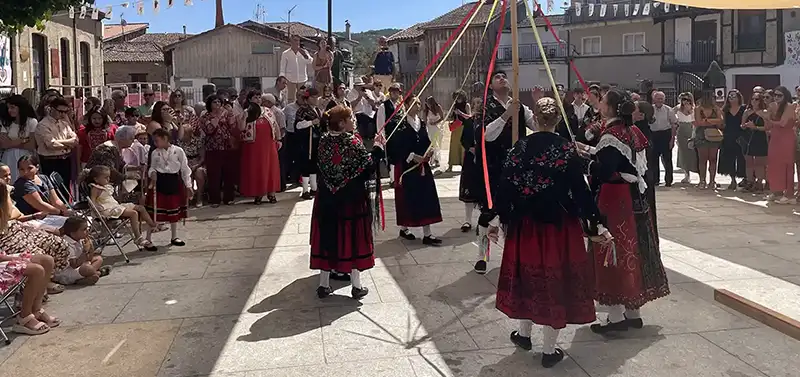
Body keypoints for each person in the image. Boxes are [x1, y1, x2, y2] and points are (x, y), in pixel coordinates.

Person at [487, 97, 611, 368]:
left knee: (528, 278)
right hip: (558, 227)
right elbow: (581, 191)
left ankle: (524, 334)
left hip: (525, 226)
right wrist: (596, 222)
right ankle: (548, 350)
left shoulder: (520, 147)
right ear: (556, 120)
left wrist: (494, 217)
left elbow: (505, 186)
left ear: (536, 120)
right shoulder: (566, 150)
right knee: (553, 282)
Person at [578, 89, 669, 334]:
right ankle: (633, 313)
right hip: (636, 200)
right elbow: (627, 165)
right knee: (633, 249)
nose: (600, 105)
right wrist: (588, 150)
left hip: (615, 201)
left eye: (603, 102)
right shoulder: (634, 132)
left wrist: (583, 160)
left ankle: (616, 318)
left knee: (612, 251)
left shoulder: (610, 135)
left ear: (610, 108)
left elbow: (605, 170)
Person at [472, 70, 536, 274]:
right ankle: (482, 255)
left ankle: (513, 256)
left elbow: (536, 125)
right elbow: (485, 136)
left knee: (516, 212)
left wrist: (538, 104)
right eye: (497, 77)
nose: (502, 78)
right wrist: (506, 114)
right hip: (493, 167)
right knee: (488, 212)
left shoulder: (519, 106)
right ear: (490, 86)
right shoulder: (485, 107)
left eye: (504, 76)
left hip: (518, 168)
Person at [311, 105, 377, 299]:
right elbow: (368, 167)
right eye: (351, 119)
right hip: (351, 200)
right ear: (341, 123)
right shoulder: (352, 142)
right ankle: (356, 286)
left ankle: (324, 285)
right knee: (353, 238)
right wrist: (377, 150)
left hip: (327, 199)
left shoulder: (323, 141)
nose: (354, 122)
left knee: (327, 236)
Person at [384, 97, 443, 245]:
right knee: (408, 198)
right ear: (407, 105)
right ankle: (404, 228)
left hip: (422, 167)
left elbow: (426, 141)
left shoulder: (421, 123)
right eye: (414, 103)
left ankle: (427, 233)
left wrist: (429, 152)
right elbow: (395, 146)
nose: (418, 105)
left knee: (426, 196)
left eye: (418, 102)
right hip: (407, 167)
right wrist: (411, 156)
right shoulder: (399, 124)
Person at [87, 165, 164, 248]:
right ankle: (138, 237)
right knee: (133, 213)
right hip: (108, 210)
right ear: (96, 179)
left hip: (115, 206)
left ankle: (153, 225)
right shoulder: (95, 189)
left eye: (108, 177)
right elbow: (92, 201)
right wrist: (96, 209)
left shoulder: (106, 186)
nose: (108, 179)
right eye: (105, 178)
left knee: (141, 208)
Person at [145, 129, 193, 249]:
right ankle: (148, 239)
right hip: (160, 182)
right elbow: (152, 168)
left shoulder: (178, 151)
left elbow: (184, 169)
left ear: (165, 138)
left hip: (173, 181)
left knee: (173, 210)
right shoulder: (155, 152)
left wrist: (188, 186)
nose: (155, 143)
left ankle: (174, 236)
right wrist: (152, 174)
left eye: (157, 140)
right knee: (154, 212)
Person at [196, 95, 239, 207]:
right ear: (210, 104)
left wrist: (230, 114)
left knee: (229, 174)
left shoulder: (226, 113)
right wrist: (217, 118)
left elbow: (233, 126)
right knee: (214, 175)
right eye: (214, 102)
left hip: (227, 148)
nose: (217, 104)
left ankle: (229, 198)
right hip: (213, 149)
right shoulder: (205, 117)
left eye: (219, 102)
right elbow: (209, 130)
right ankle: (214, 199)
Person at [240, 92, 282, 204]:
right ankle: (258, 194)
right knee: (257, 168)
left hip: (269, 144)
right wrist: (244, 118)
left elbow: (275, 125)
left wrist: (279, 139)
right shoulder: (246, 111)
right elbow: (241, 128)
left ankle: (271, 193)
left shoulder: (268, 111)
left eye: (259, 97)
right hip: (254, 145)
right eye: (255, 97)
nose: (258, 99)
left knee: (271, 167)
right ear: (250, 99)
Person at [33, 97, 78, 195]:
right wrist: (68, 143)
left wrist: (60, 142)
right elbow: (51, 144)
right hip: (50, 160)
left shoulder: (64, 124)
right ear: (51, 109)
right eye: (60, 111)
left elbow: (75, 140)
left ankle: (66, 209)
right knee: (53, 189)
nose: (63, 114)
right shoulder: (43, 125)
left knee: (65, 189)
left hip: (65, 159)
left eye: (65, 112)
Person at [761, 86, 797, 204]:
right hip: (775, 137)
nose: (776, 97)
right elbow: (768, 126)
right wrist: (767, 116)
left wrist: (768, 118)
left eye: (779, 95)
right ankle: (777, 191)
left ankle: (789, 194)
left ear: (785, 96)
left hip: (786, 138)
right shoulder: (773, 106)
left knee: (787, 165)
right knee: (774, 164)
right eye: (775, 95)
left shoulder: (790, 106)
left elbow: (783, 123)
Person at [55, 217, 112, 286]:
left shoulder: (80, 239)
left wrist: (90, 247)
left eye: (87, 228)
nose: (87, 231)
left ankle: (89, 275)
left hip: (80, 264)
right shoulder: (66, 244)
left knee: (98, 259)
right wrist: (85, 251)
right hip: (68, 271)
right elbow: (74, 265)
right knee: (87, 268)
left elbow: (89, 258)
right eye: (84, 229)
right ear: (73, 233)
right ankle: (97, 273)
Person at [0, 95, 38, 182]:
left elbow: (31, 145)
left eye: (12, 107)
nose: (10, 110)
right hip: (9, 157)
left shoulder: (32, 122)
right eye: (8, 108)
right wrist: (23, 140)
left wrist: (12, 143)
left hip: (26, 156)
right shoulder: (6, 123)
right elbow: (3, 144)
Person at [294, 88, 324, 200]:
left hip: (316, 141)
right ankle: (305, 190)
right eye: (313, 97)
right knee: (306, 165)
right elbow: (297, 125)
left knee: (314, 165)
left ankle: (314, 188)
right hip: (306, 142)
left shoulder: (318, 110)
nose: (316, 99)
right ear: (307, 98)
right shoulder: (302, 110)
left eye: (316, 97)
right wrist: (311, 122)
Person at [693, 90, 724, 189]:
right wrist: (712, 122)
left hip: (714, 135)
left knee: (713, 159)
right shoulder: (698, 109)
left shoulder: (716, 109)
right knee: (702, 159)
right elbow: (699, 122)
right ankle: (702, 180)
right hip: (701, 135)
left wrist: (707, 121)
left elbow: (720, 121)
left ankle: (712, 180)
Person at [375, 83, 404, 186]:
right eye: (393, 91)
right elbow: (380, 122)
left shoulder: (401, 105)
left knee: (399, 156)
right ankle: (392, 179)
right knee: (391, 157)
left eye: (397, 91)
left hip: (399, 136)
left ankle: (398, 176)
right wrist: (382, 135)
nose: (394, 93)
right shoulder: (384, 106)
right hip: (389, 135)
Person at [740, 92, 769, 193]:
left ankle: (759, 183)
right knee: (749, 162)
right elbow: (742, 125)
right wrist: (745, 126)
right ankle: (749, 181)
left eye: (757, 99)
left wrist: (755, 127)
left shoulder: (764, 112)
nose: (754, 101)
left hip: (759, 138)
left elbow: (767, 127)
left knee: (759, 163)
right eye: (752, 99)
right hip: (748, 138)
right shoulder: (747, 112)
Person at [647, 91, 677, 186]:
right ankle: (655, 180)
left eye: (661, 99)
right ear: (654, 99)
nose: (659, 100)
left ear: (664, 99)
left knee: (667, 159)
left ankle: (668, 181)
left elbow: (674, 124)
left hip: (665, 135)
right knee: (653, 159)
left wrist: (672, 139)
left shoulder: (669, 110)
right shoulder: (649, 109)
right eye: (658, 98)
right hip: (653, 135)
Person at [719, 90, 747, 190]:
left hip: (741, 136)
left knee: (742, 158)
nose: (731, 97)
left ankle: (745, 179)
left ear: (739, 97)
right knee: (729, 158)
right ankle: (732, 180)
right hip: (728, 135)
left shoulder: (744, 108)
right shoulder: (725, 109)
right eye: (730, 96)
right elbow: (722, 123)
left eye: (733, 96)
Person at [674, 93, 698, 184]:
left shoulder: (694, 109)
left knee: (693, 153)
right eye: (683, 99)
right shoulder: (677, 108)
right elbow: (671, 115)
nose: (685, 101)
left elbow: (695, 121)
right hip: (681, 130)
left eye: (687, 99)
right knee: (682, 152)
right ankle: (686, 174)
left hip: (691, 129)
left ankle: (698, 173)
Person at [280, 35, 313, 102]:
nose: (297, 42)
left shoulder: (304, 52)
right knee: (291, 98)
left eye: (298, 40)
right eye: (295, 40)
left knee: (303, 97)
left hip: (302, 79)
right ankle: (291, 111)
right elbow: (282, 67)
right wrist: (282, 78)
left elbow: (310, 61)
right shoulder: (285, 53)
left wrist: (304, 54)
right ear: (291, 42)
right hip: (290, 79)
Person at [423, 96, 445, 168]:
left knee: (439, 143)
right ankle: (435, 160)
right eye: (427, 103)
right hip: (430, 128)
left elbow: (442, 117)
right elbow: (425, 120)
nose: (428, 105)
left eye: (429, 103)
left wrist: (436, 122)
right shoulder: (426, 110)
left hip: (438, 127)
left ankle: (436, 158)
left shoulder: (438, 107)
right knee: (433, 144)